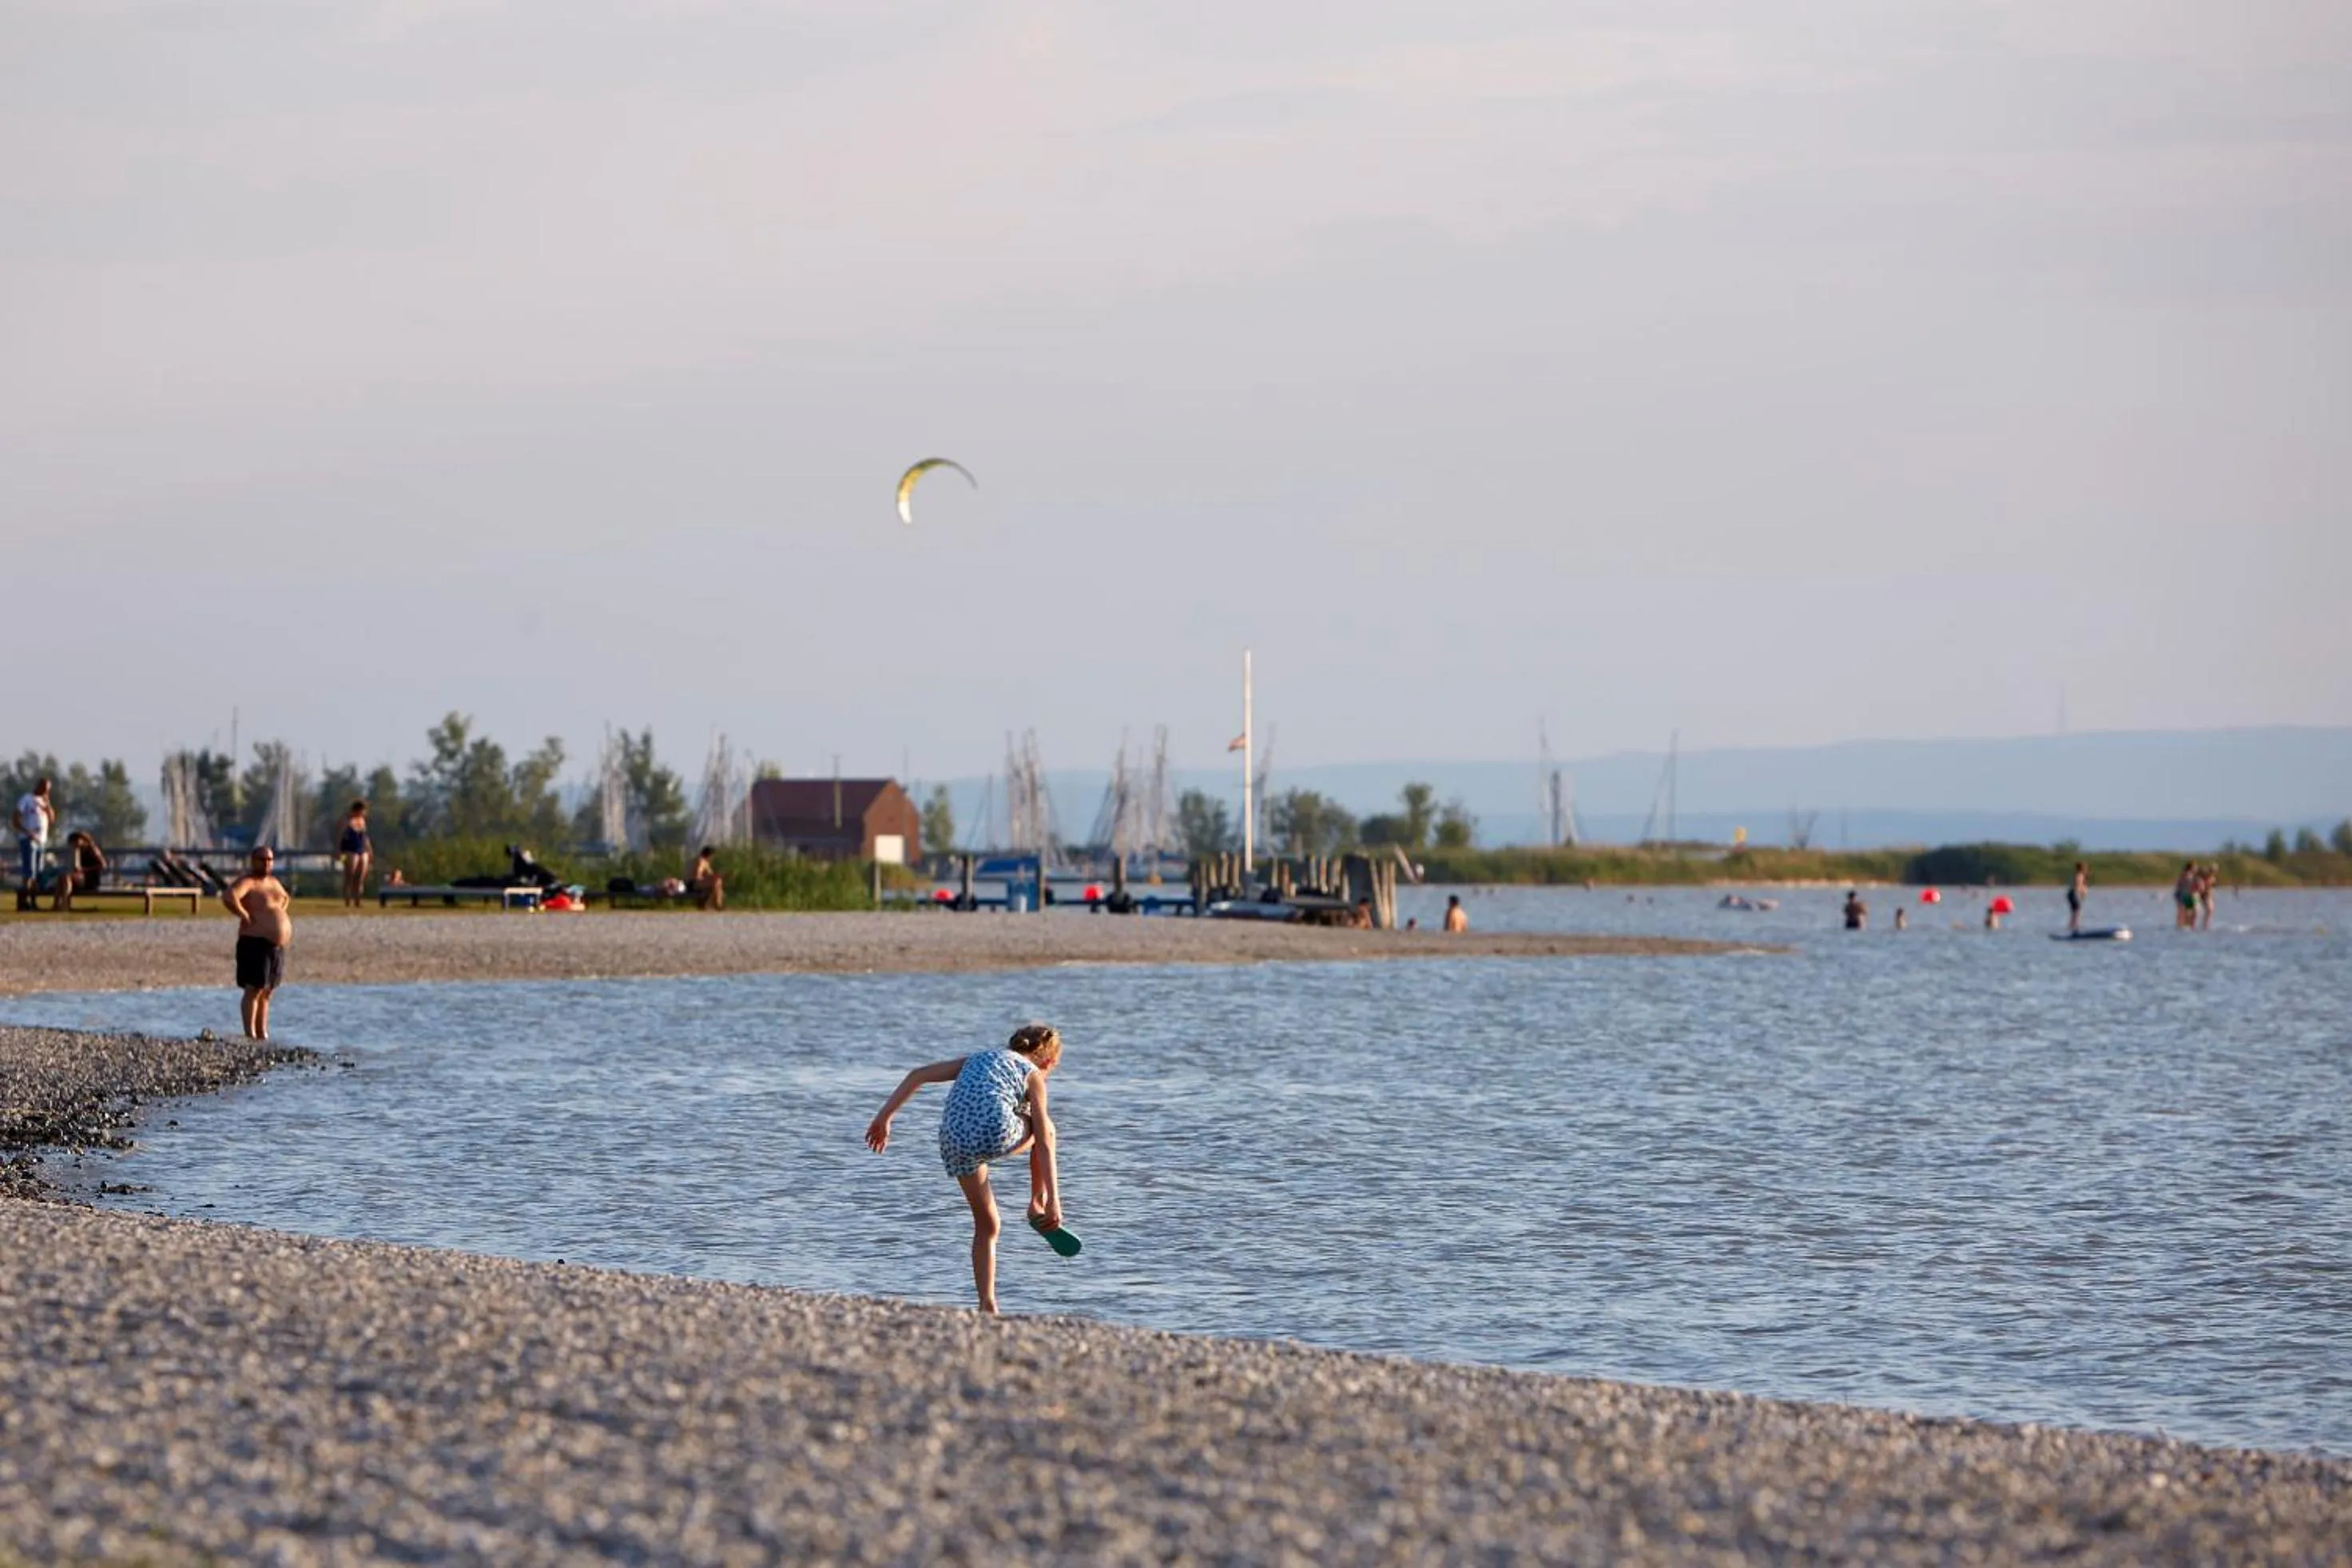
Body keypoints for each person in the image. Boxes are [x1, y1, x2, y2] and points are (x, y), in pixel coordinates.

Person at [865, 1023, 1065, 1316]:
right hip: (994, 1130)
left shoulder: (977, 1058)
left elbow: (917, 1075)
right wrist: (1055, 1202)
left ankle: (987, 1303)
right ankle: (1037, 1204)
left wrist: (884, 1118)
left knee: (988, 1225)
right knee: (1045, 1127)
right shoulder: (1032, 1074)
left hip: (952, 1139)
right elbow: (1044, 1142)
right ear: (1048, 1061)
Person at [222, 847, 292, 1041]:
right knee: (254, 988)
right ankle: (249, 1033)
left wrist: (280, 914)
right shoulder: (249, 882)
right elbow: (229, 896)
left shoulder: (274, 882)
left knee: (268, 991)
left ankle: (262, 1033)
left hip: (275, 946)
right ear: (253, 861)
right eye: (262, 859)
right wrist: (244, 914)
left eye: (270, 860)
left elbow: (285, 898)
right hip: (254, 941)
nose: (266, 863)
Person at [14, 776, 52, 896]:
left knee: (38, 872)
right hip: (29, 839)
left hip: (41, 840)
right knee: (29, 871)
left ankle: (33, 898)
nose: (46, 792)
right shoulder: (27, 799)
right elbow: (15, 818)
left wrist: (47, 805)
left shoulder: (43, 802)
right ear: (39, 786)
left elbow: (52, 818)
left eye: (48, 790)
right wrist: (27, 832)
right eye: (44, 788)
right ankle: (25, 898)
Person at [52, 831, 105, 912]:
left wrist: (85, 869)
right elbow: (75, 867)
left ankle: (65, 905)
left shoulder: (92, 849)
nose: (74, 844)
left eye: (76, 841)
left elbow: (103, 865)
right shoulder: (76, 851)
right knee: (62, 877)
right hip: (79, 878)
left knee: (66, 877)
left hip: (90, 879)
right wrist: (76, 853)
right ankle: (56, 905)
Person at [337, 800, 371, 907]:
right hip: (349, 850)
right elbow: (339, 836)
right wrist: (339, 853)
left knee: (361, 876)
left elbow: (365, 836)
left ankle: (358, 899)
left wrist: (370, 849)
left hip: (362, 849)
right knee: (349, 875)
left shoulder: (362, 821)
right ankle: (347, 899)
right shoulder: (347, 820)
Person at [690, 845, 725, 911]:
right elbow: (697, 875)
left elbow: (710, 874)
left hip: (700, 882)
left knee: (718, 882)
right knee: (717, 882)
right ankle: (717, 904)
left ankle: (716, 904)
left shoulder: (705, 862)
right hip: (696, 883)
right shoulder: (702, 862)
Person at [2174, 861, 2199, 930]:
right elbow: (2179, 884)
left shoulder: (2194, 875)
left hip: (2191, 895)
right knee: (2185, 912)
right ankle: (2183, 926)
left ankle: (2190, 926)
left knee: (2193, 912)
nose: (2196, 869)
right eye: (2195, 867)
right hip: (2184, 895)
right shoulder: (2185, 875)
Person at [2067, 861, 2088, 934]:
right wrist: (2083, 891)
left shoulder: (2078, 875)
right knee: (2077, 910)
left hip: (2072, 893)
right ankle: (2075, 926)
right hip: (2073, 894)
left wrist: (2083, 891)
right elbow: (2078, 885)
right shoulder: (2080, 875)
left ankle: (2072, 926)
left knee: (2075, 911)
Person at [2198, 863, 2218, 931]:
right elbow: (2202, 888)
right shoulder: (2205, 877)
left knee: (2210, 910)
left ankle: (2207, 925)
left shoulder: (2213, 879)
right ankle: (2205, 925)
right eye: (2212, 870)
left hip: (2209, 895)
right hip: (2204, 895)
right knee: (2209, 909)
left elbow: (2212, 888)